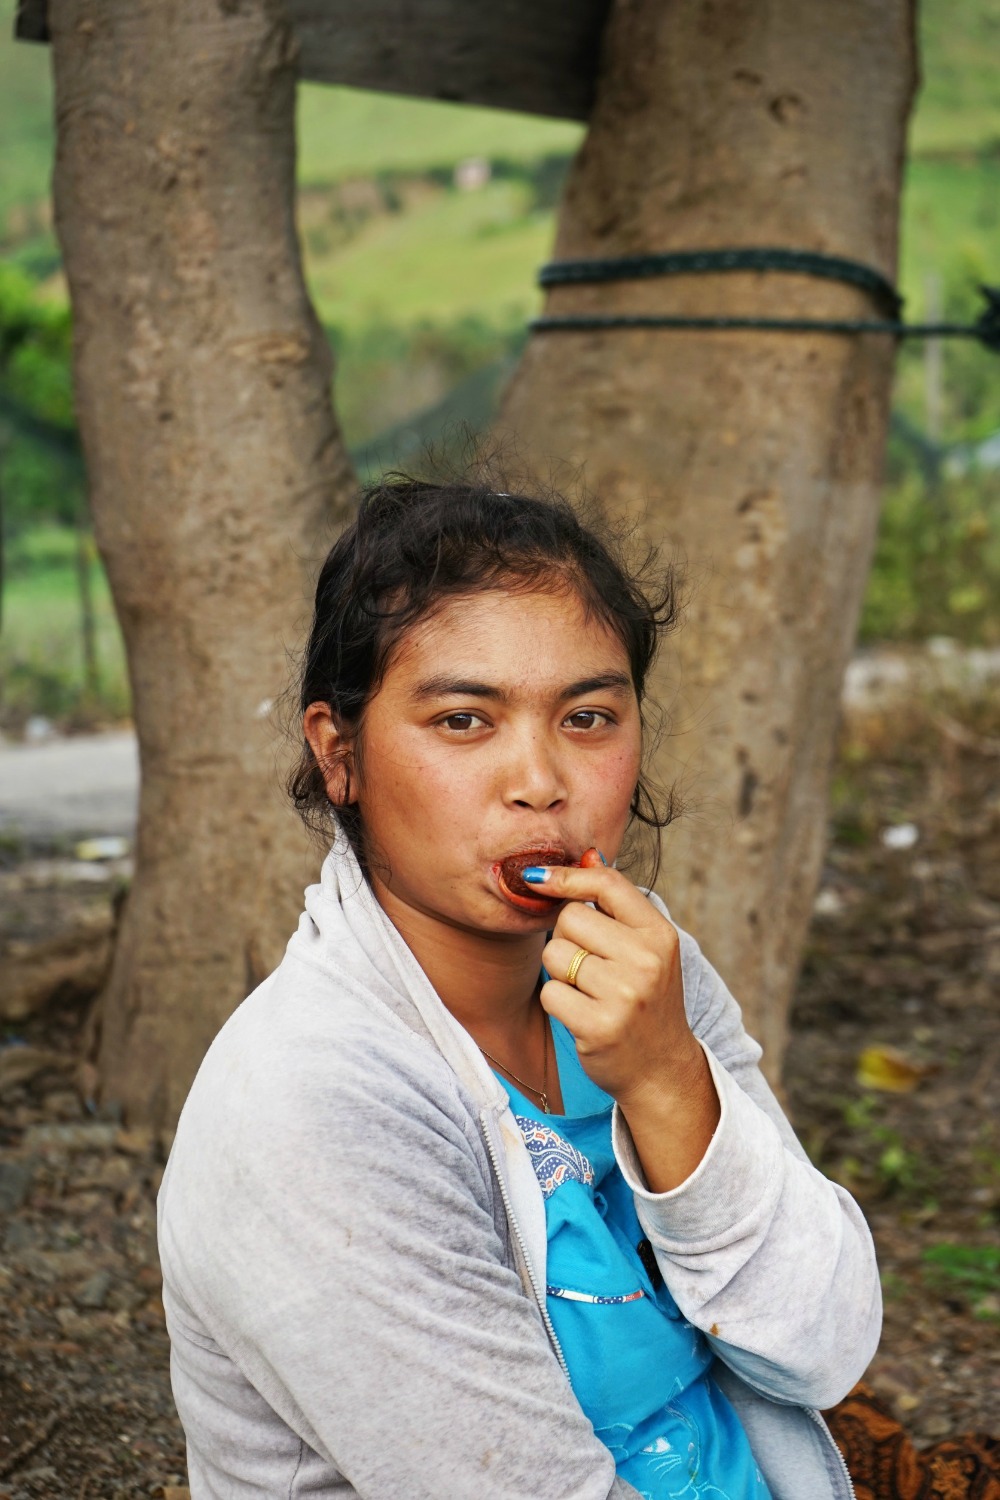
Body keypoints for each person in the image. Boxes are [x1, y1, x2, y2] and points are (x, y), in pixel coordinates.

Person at [157, 476, 881, 1499]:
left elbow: (822, 1348)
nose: (540, 781)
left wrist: (670, 1081)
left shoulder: (639, 971)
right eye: (464, 721)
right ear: (339, 754)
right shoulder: (308, 1105)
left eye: (587, 717)